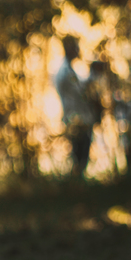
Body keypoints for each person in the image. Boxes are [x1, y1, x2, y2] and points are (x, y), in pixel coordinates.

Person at [54, 35, 95, 174]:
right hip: (75, 117)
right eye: (75, 46)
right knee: (79, 152)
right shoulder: (65, 70)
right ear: (69, 48)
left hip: (76, 116)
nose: (78, 50)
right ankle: (77, 181)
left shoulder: (67, 69)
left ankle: (78, 181)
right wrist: (92, 78)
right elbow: (78, 93)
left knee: (81, 151)